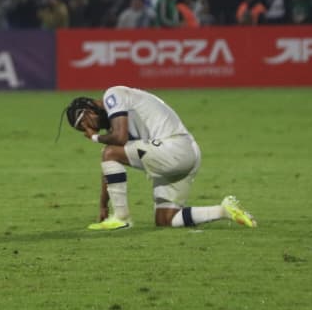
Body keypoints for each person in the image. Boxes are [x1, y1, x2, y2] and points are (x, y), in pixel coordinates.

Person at [63, 87, 257, 231]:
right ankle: (224, 210)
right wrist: (103, 205)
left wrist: (94, 138)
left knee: (109, 151)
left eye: (85, 125)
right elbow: (109, 165)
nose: (90, 130)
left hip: (173, 148)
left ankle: (122, 218)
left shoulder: (112, 95)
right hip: (184, 153)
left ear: (89, 110)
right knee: (166, 219)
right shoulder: (117, 121)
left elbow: (119, 140)